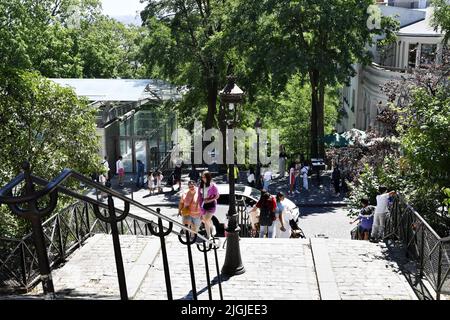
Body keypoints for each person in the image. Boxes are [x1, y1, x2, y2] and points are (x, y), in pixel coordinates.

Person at [198, 171, 220, 239]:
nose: (203, 178)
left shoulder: (213, 186)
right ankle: (208, 236)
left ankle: (212, 227)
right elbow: (199, 196)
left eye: (204, 177)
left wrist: (209, 200)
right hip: (203, 205)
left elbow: (217, 196)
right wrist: (199, 205)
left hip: (211, 205)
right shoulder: (201, 185)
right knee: (204, 220)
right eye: (202, 177)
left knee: (207, 219)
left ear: (208, 177)